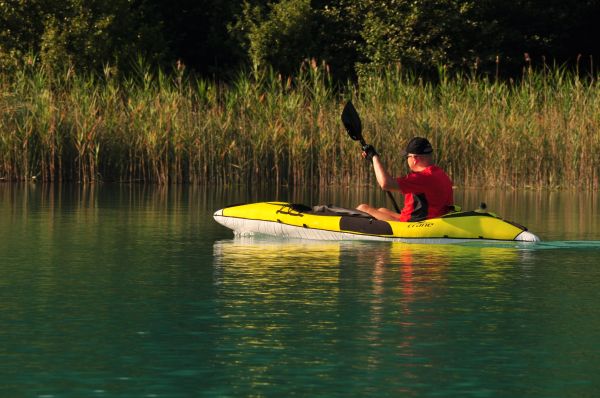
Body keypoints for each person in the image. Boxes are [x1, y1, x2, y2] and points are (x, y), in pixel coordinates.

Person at [356, 137, 453, 222]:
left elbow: (385, 184)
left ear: (414, 159)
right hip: (426, 219)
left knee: (362, 208)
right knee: (381, 210)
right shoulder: (439, 173)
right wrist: (372, 159)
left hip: (414, 224)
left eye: (407, 157)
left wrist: (374, 157)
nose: (407, 160)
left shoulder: (422, 177)